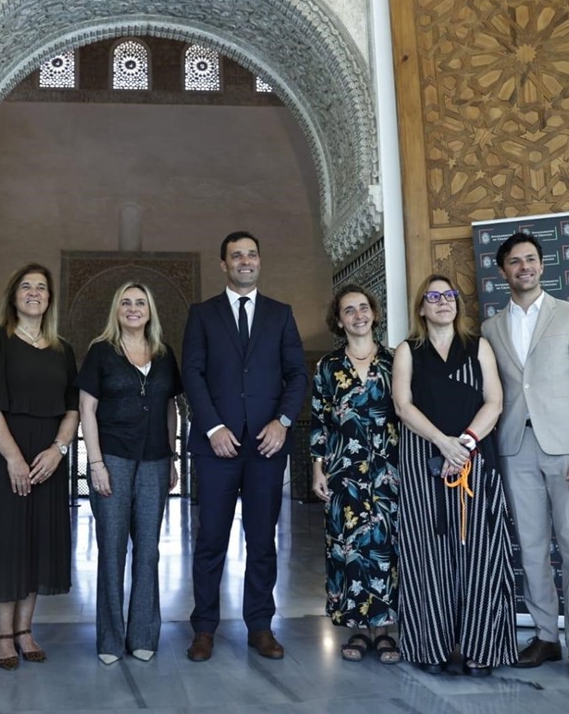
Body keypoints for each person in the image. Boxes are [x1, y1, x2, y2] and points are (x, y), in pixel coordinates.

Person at [481, 232, 569, 684]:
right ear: (503, 271)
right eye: (515, 261)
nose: (525, 267)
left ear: (541, 265)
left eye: (531, 259)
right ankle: (545, 637)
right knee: (532, 549)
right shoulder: (490, 329)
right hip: (515, 448)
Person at [182, 231, 307, 662]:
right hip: (217, 447)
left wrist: (283, 422)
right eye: (236, 256)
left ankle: (260, 626)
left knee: (262, 540)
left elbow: (297, 374)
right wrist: (213, 427)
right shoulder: (202, 314)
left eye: (252, 254)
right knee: (211, 539)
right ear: (224, 264)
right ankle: (203, 629)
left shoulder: (280, 314)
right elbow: (192, 374)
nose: (245, 261)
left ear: (259, 261)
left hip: (266, 448)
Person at [391, 274, 517, 677]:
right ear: (421, 307)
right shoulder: (407, 351)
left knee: (481, 552)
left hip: (475, 459)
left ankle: (483, 647)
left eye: (449, 295)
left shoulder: (479, 346)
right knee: (427, 553)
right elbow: (403, 406)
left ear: (457, 304)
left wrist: (464, 443)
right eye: (433, 296)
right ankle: (430, 646)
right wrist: (442, 443)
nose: (443, 301)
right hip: (422, 461)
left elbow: (495, 402)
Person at [0, 263, 80, 670]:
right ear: (14, 296)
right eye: (26, 286)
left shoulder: (63, 349)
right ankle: (2, 634)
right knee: (7, 540)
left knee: (37, 541)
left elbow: (73, 407)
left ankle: (26, 630)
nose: (34, 293)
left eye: (42, 287)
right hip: (4, 455)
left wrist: (58, 450)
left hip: (48, 457)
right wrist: (14, 457)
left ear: (50, 298)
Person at [78, 282, 182, 665]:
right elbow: (87, 409)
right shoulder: (101, 351)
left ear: (150, 310)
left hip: (155, 462)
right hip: (113, 460)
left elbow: (171, 407)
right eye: (126, 302)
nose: (133, 308)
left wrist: (172, 457)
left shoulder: (165, 354)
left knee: (149, 552)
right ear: (117, 310)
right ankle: (110, 639)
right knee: (112, 550)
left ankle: (142, 635)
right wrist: (96, 464)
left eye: (140, 302)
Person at [310, 284, 401, 664]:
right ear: (339, 320)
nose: (358, 315)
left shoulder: (396, 360)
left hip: (388, 472)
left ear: (374, 314)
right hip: (343, 472)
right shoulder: (328, 366)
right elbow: (319, 419)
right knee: (348, 551)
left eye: (363, 308)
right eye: (349, 310)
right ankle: (358, 630)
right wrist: (317, 467)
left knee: (386, 547)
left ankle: (385, 631)